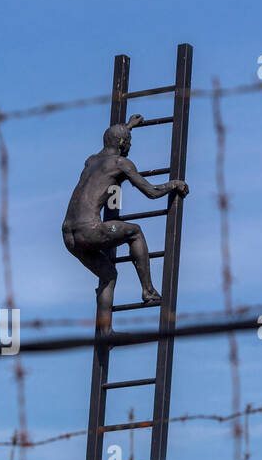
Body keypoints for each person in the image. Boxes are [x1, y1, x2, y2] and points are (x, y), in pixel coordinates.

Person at [62, 114, 188, 333]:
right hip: (90, 229)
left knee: (108, 274)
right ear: (122, 144)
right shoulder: (121, 163)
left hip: (69, 235)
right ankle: (148, 291)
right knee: (135, 232)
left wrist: (128, 127)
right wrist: (174, 184)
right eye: (128, 142)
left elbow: (111, 143)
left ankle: (104, 333)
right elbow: (152, 192)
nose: (130, 146)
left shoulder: (91, 160)